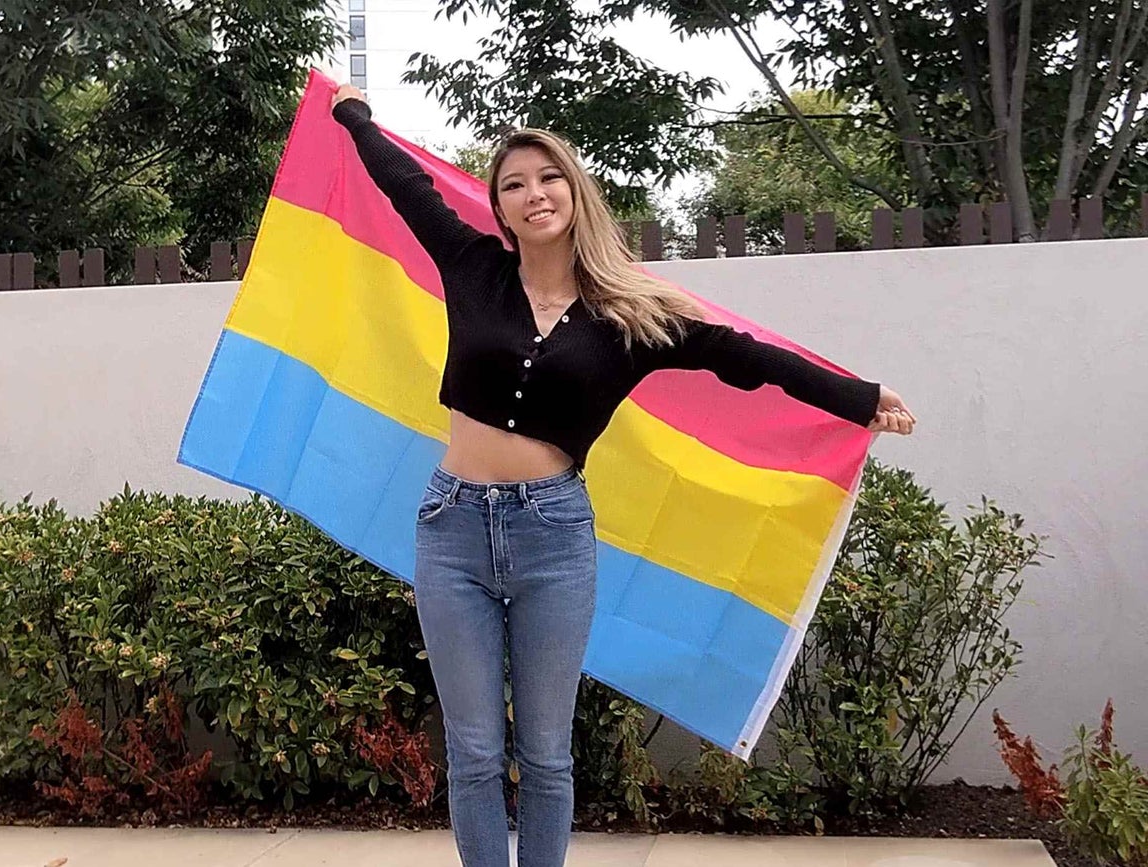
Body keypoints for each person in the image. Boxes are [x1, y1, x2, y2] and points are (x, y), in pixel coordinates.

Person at [329, 82, 915, 867]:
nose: (534, 193)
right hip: (451, 528)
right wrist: (352, 113)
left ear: (575, 191)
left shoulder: (631, 316)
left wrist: (859, 397)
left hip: (553, 537)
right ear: (499, 208)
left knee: (545, 752)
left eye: (549, 177)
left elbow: (746, 358)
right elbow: (407, 185)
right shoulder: (472, 266)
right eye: (514, 184)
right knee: (473, 750)